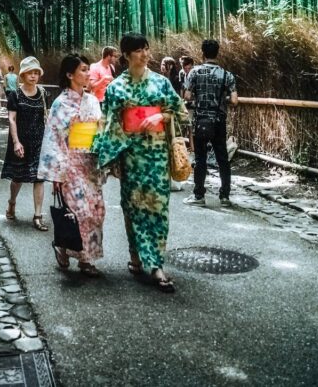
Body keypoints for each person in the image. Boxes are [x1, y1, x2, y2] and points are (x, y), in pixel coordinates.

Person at [93, 33, 186, 293]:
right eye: (139, 50)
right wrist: (111, 158)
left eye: (147, 49)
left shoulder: (161, 83)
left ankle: (156, 264)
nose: (145, 54)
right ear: (125, 55)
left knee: (158, 209)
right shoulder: (115, 88)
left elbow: (180, 111)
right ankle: (135, 255)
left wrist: (160, 117)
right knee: (132, 208)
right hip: (131, 156)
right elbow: (108, 124)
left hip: (157, 156)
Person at [38, 54, 105, 276]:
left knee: (96, 211)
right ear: (70, 74)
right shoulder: (60, 103)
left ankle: (85, 257)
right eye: (83, 70)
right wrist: (56, 174)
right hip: (70, 164)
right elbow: (53, 139)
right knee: (79, 212)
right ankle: (69, 250)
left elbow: (100, 131)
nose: (88, 74)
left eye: (88, 69)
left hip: (90, 163)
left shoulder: (93, 100)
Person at [183, 39, 238, 207]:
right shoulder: (226, 75)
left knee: (200, 158)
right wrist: (222, 98)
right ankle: (225, 196)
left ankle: (199, 195)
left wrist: (198, 97)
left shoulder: (194, 72)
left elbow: (186, 96)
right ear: (217, 53)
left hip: (200, 120)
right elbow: (234, 100)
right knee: (222, 158)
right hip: (219, 120)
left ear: (203, 53)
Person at [2, 56, 48, 231]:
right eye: (30, 73)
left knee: (39, 178)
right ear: (23, 75)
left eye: (36, 72)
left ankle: (38, 216)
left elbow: (46, 117)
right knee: (18, 177)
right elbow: (12, 120)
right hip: (20, 141)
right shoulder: (15, 95)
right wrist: (16, 142)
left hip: (39, 141)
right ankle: (12, 202)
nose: (34, 76)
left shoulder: (43, 93)